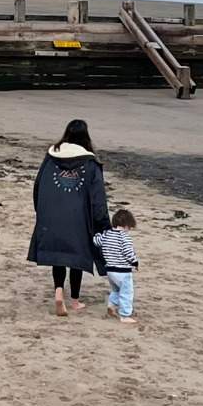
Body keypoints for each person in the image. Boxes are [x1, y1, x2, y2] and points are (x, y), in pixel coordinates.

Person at [27, 119, 110, 316]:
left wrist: (41, 212)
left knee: (58, 256)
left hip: (53, 215)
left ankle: (58, 294)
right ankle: (74, 301)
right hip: (78, 218)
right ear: (86, 137)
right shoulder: (90, 164)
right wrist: (103, 223)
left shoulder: (51, 157)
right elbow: (98, 200)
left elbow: (38, 185)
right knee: (76, 257)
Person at [95, 209, 139, 325]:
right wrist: (135, 262)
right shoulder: (124, 237)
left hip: (110, 270)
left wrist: (97, 233)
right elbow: (128, 252)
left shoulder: (106, 235)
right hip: (123, 271)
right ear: (126, 225)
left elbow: (96, 241)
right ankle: (125, 315)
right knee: (126, 292)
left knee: (116, 290)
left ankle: (111, 305)